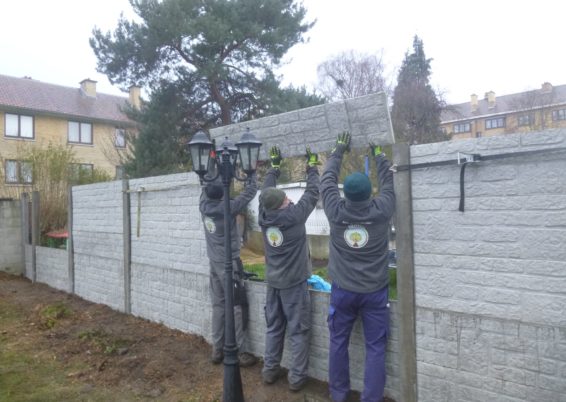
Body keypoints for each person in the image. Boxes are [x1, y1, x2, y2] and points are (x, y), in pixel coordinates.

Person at [320, 132, 395, 402]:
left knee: (338, 342)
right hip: (375, 292)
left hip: (343, 291)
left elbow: (326, 180)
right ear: (370, 193)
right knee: (375, 348)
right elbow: (388, 183)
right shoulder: (382, 209)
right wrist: (379, 156)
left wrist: (338, 150)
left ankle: (338, 396)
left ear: (346, 195)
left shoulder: (335, 211)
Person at [258, 146, 321, 392]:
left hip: (273, 282)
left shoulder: (265, 215)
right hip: (293, 284)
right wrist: (312, 166)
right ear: (282, 205)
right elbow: (312, 192)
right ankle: (296, 379)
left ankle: (270, 371)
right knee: (298, 330)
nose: (288, 199)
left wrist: (274, 168)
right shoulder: (293, 216)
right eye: (285, 199)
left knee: (274, 327)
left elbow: (266, 193)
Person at [199, 172, 258, 368]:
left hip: (213, 262)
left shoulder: (203, 206)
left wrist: (213, 168)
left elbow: (204, 186)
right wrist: (251, 172)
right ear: (222, 194)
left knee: (218, 306)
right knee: (236, 307)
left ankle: (217, 349)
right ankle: (240, 352)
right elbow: (250, 192)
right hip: (228, 264)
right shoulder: (228, 208)